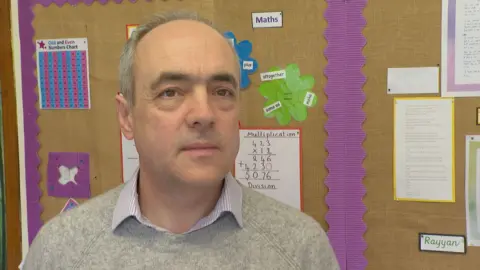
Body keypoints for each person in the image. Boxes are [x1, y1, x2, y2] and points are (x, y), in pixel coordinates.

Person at [22, 11, 340, 269]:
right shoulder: (61, 251)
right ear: (126, 116)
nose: (204, 113)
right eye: (171, 92)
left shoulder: (299, 248)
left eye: (222, 91)